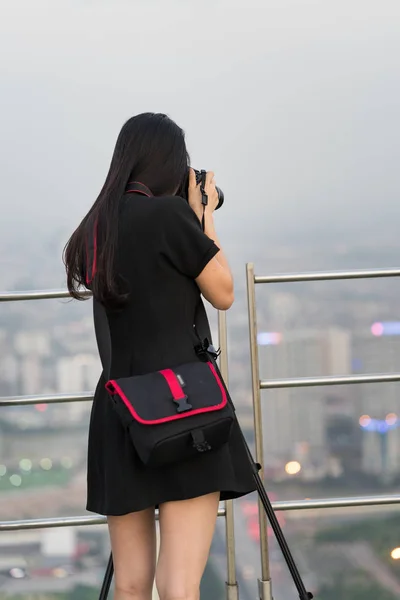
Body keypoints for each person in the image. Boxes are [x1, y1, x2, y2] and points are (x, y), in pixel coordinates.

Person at [63, 113, 256, 600]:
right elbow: (224, 292)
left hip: (119, 409)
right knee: (178, 586)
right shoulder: (171, 218)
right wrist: (203, 212)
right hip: (182, 407)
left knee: (130, 586)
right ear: (171, 164)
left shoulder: (95, 228)